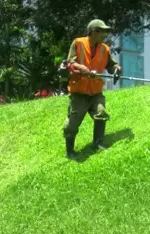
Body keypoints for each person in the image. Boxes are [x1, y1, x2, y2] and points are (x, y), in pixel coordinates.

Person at [62, 19, 122, 158]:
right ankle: (70, 151)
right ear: (94, 31)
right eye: (103, 31)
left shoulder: (104, 49)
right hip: (79, 92)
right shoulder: (78, 43)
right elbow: (69, 62)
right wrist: (82, 68)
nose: (105, 34)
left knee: (100, 113)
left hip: (96, 92)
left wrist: (117, 69)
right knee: (72, 124)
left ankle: (98, 143)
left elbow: (110, 65)